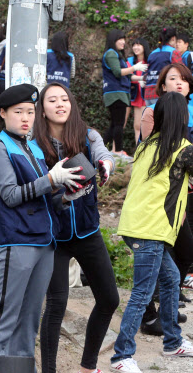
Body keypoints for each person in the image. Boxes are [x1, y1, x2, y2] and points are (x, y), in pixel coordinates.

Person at [0, 83, 88, 358]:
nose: (26, 118)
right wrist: (51, 179)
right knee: (5, 318)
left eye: (30, 111)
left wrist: (66, 198)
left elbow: (45, 199)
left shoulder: (35, 148)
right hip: (16, 240)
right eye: (19, 112)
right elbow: (11, 195)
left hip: (44, 241)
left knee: (29, 322)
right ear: (3, 113)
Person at [34, 83, 119, 373]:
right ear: (42, 109)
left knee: (109, 298)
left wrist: (106, 166)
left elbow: (103, 154)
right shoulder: (34, 143)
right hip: (53, 236)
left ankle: (88, 366)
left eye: (64, 99)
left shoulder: (87, 134)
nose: (60, 104)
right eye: (52, 100)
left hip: (87, 230)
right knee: (56, 306)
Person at [111, 92, 193, 373]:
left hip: (135, 226)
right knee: (142, 293)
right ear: (184, 118)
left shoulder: (146, 146)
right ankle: (121, 356)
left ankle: (172, 342)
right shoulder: (183, 149)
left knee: (170, 278)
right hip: (151, 229)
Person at [137, 63, 193, 335]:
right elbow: (155, 160)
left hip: (179, 200)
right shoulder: (153, 115)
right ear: (162, 86)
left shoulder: (188, 114)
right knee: (156, 262)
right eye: (173, 79)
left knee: (180, 256)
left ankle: (165, 311)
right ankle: (148, 319)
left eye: (184, 79)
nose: (179, 83)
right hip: (157, 203)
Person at [101, 29, 147, 155]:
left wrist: (140, 79)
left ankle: (101, 149)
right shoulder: (111, 54)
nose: (123, 42)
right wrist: (134, 68)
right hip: (115, 92)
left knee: (114, 124)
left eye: (123, 39)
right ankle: (118, 152)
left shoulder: (117, 54)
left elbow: (127, 76)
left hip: (119, 92)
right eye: (119, 39)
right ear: (113, 40)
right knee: (119, 124)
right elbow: (118, 72)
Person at [144, 27, 182, 106]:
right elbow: (181, 71)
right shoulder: (173, 52)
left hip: (148, 95)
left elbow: (146, 73)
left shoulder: (152, 54)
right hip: (164, 94)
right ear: (173, 39)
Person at [126, 38, 150, 145]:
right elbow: (127, 76)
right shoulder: (130, 61)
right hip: (135, 95)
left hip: (147, 95)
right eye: (134, 45)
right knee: (137, 125)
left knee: (146, 124)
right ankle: (138, 149)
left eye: (139, 45)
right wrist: (140, 79)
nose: (136, 47)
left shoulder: (150, 60)